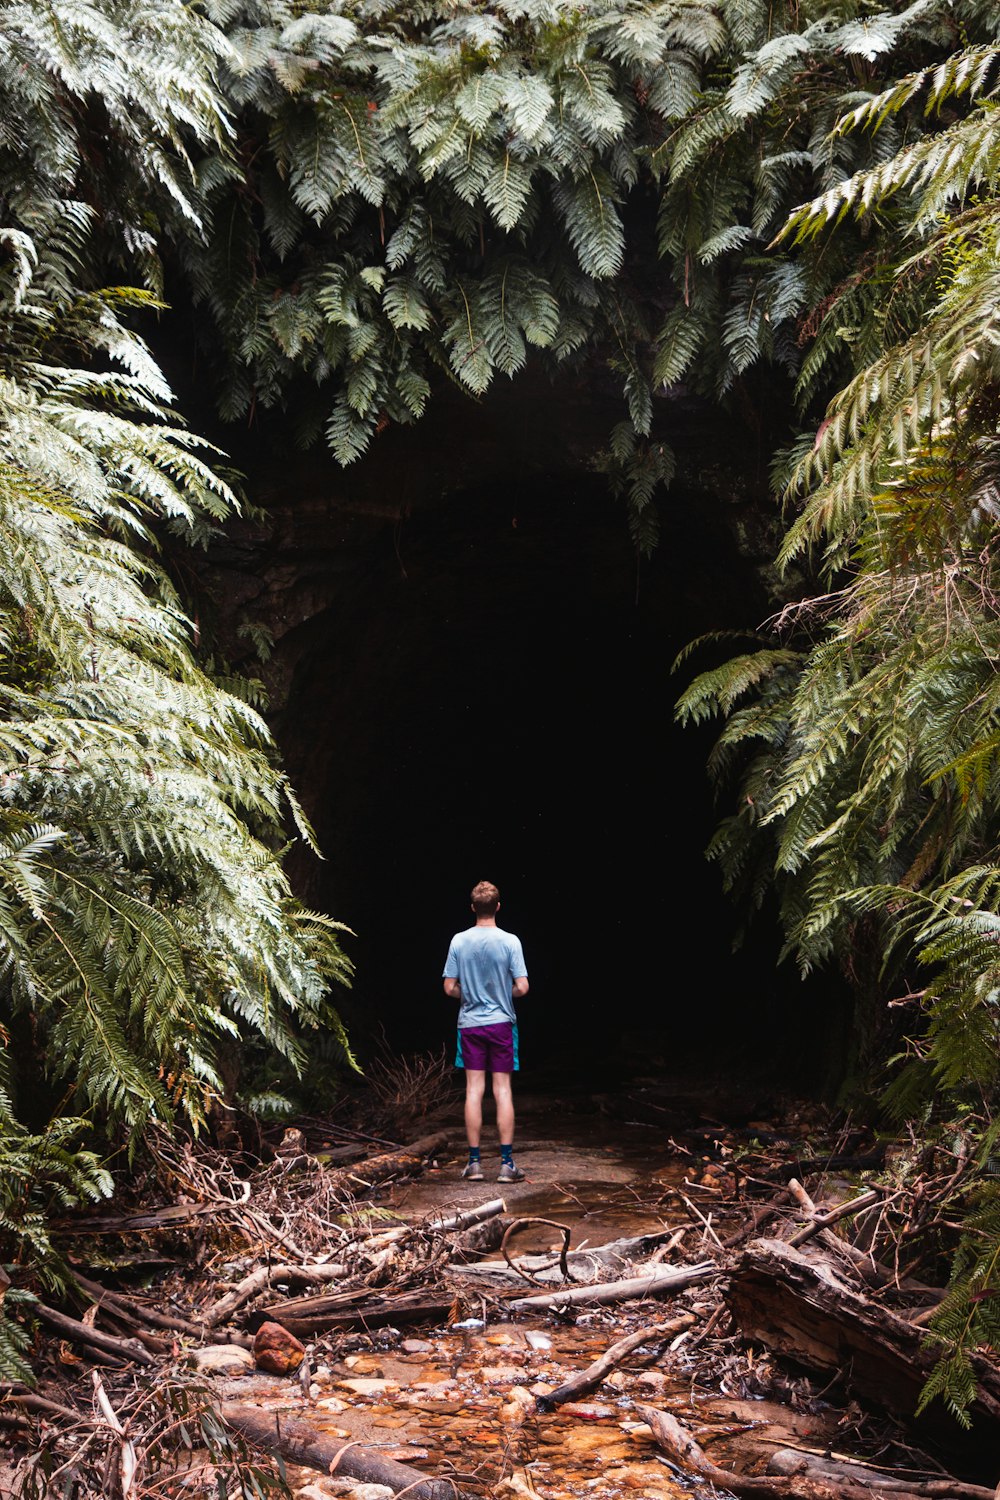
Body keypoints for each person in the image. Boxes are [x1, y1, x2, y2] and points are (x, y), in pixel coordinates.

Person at [443, 880, 528, 1183]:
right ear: (498, 907)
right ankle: (506, 1165)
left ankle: (474, 1164)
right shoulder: (510, 941)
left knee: (473, 1090)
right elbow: (522, 986)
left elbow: (449, 987)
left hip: (470, 1025)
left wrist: (469, 995)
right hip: (502, 1023)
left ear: (472, 908)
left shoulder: (458, 941)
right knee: (502, 1090)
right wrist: (503, 993)